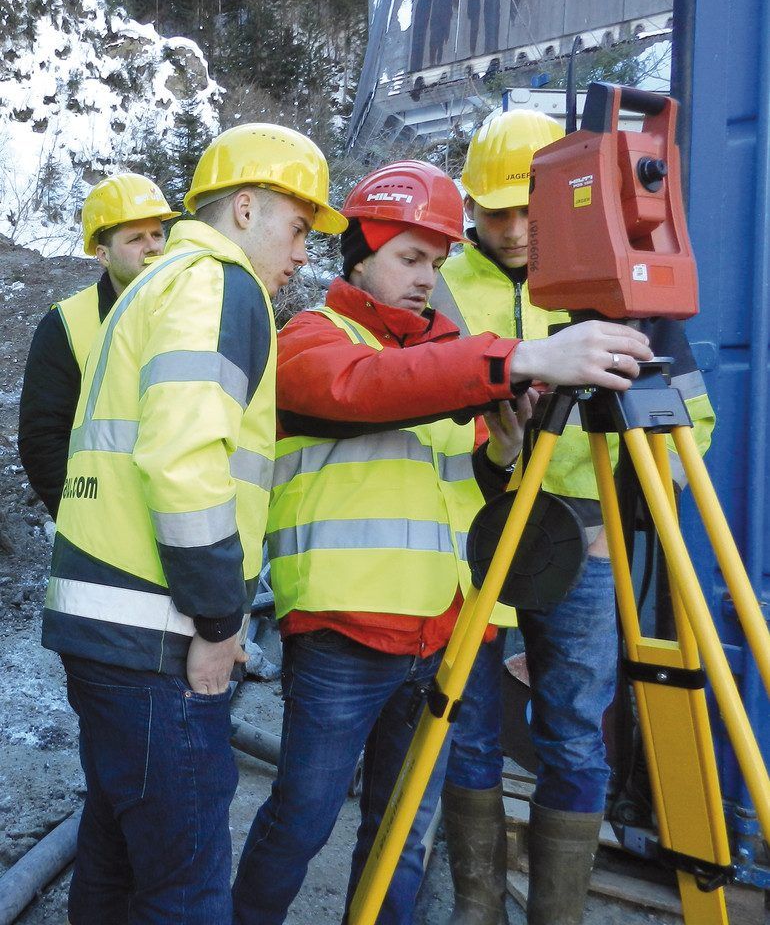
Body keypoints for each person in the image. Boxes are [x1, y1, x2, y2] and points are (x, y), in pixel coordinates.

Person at [231, 159, 654, 925]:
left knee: (403, 835)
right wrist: (516, 356)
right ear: (358, 255)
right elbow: (360, 388)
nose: (428, 278)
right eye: (410, 258)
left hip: (440, 632)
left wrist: (502, 446)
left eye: (437, 261)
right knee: (302, 820)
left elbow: (460, 483)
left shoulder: (447, 357)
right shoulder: (311, 337)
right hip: (343, 635)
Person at [41, 124, 347, 925]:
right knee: (186, 891)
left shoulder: (155, 284)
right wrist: (218, 617)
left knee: (116, 856)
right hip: (156, 637)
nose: (304, 252)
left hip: (105, 629)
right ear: (246, 208)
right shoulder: (219, 282)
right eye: (299, 225)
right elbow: (183, 461)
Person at [430, 110, 716, 925]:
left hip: (587, 543)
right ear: (471, 210)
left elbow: (691, 419)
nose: (513, 229)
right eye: (494, 211)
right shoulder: (447, 289)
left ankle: (557, 914)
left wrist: (619, 516)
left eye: (526, 207)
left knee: (572, 734)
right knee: (471, 729)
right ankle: (476, 909)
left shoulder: (617, 285)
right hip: (474, 536)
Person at [18, 173, 177, 518]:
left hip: (185, 522)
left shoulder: (190, 312)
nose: (152, 247)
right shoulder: (65, 325)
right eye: (135, 238)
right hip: (105, 531)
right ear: (102, 255)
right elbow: (42, 440)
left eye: (157, 234)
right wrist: (86, 523)